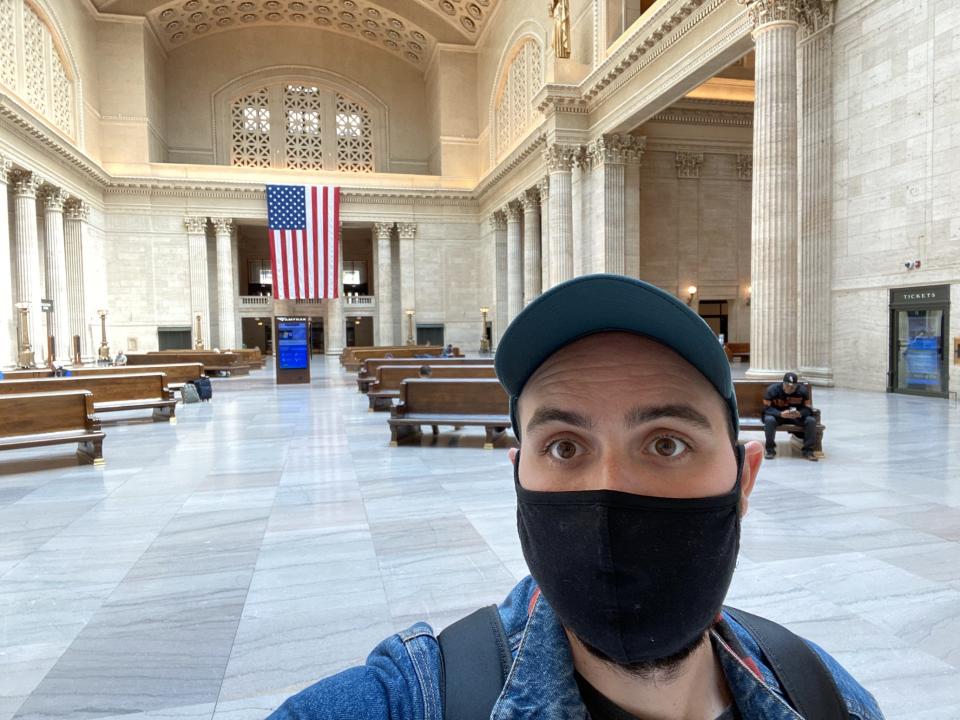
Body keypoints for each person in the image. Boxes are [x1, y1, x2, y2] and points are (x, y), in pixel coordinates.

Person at [268, 274, 882, 720]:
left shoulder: (830, 698)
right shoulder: (410, 702)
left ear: (744, 480)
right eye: (564, 447)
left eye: (666, 444)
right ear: (518, 476)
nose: (608, 489)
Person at [762, 372, 818, 462]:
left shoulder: (803, 391)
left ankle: (808, 450)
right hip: (778, 416)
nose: (790, 388)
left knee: (811, 421)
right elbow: (766, 409)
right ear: (783, 383)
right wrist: (780, 413)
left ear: (797, 385)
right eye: (787, 385)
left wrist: (800, 413)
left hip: (796, 416)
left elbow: (808, 409)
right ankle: (770, 450)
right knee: (769, 420)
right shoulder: (772, 390)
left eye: (793, 386)